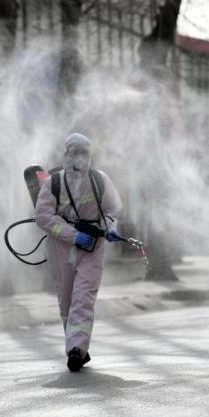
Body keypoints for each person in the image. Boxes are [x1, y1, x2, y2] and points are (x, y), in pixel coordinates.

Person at [35, 133, 122, 371]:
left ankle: (76, 349)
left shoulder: (99, 180)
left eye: (85, 151)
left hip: (93, 247)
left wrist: (110, 228)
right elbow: (43, 216)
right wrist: (72, 235)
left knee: (83, 298)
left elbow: (112, 209)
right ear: (67, 154)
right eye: (76, 152)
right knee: (66, 301)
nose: (81, 156)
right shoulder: (53, 183)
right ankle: (76, 343)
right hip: (61, 248)